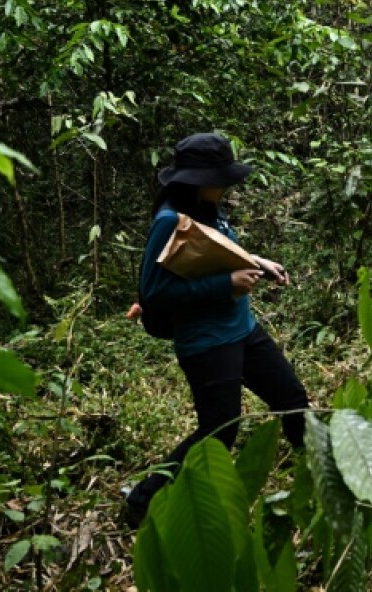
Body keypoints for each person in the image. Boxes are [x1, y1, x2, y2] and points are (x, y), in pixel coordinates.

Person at [124, 133, 310, 528]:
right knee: (219, 431)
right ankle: (143, 502)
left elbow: (213, 254)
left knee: (292, 398)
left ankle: (323, 475)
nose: (227, 184)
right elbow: (155, 291)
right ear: (196, 179)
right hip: (208, 342)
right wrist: (225, 285)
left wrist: (257, 261)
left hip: (242, 328)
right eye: (219, 177)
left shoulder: (207, 209)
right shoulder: (169, 220)